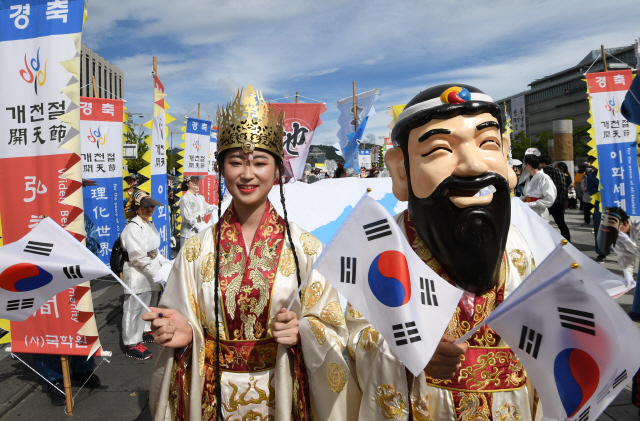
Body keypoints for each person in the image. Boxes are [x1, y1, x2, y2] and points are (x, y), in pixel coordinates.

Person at [145, 85, 359, 421]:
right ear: (221, 169)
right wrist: (184, 332)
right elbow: (180, 317)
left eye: (259, 162)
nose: (247, 174)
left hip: (282, 387)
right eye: (235, 162)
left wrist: (303, 330)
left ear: (276, 172)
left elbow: (334, 326)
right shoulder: (194, 251)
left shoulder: (306, 248)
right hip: (212, 392)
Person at [350, 84, 540, 420]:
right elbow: (349, 335)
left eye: (488, 144)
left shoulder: (525, 247)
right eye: (439, 149)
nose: (471, 165)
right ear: (401, 170)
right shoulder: (379, 251)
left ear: (508, 161)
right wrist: (410, 351)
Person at [121, 190, 169, 360]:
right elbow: (138, 258)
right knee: (133, 307)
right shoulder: (132, 228)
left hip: (151, 270)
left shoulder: (149, 224)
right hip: (137, 272)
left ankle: (144, 330)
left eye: (152, 206)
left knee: (148, 303)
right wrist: (156, 273)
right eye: (146, 206)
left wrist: (164, 261)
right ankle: (131, 343)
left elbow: (153, 248)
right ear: (137, 207)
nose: (150, 209)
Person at [179, 175, 217, 248]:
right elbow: (187, 217)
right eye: (193, 181)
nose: (195, 182)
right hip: (189, 232)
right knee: (189, 256)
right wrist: (197, 226)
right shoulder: (185, 198)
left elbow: (206, 208)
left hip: (201, 228)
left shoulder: (200, 197)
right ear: (187, 184)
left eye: (197, 181)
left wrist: (213, 207)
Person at [539, 155, 570, 241]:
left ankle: (545, 241)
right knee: (561, 223)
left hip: (547, 202)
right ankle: (568, 241)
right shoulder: (560, 172)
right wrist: (565, 201)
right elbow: (565, 188)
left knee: (542, 222)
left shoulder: (542, 172)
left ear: (543, 163)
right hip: (559, 202)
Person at [521, 154, 557, 222]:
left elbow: (550, 199)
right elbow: (527, 195)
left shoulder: (544, 178)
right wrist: (520, 199)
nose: (523, 165)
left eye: (524, 163)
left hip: (539, 214)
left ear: (528, 165)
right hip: (528, 213)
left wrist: (532, 204)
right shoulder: (528, 177)